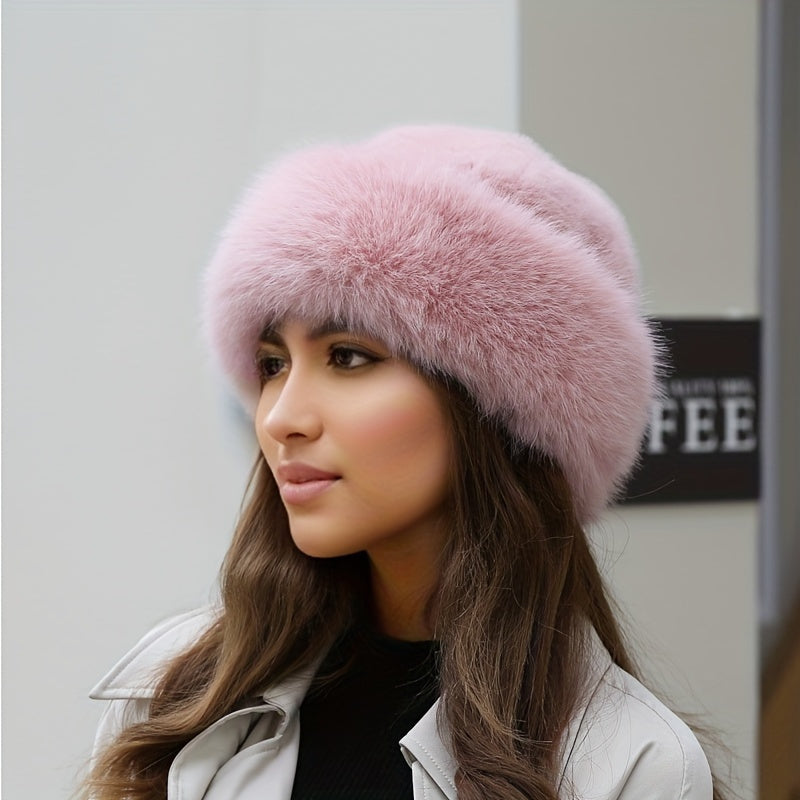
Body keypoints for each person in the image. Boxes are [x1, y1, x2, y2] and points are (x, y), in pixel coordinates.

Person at [82, 125, 718, 800]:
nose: (279, 418)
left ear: (496, 408)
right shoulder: (178, 696)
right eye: (272, 364)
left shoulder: (624, 765)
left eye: (347, 356)